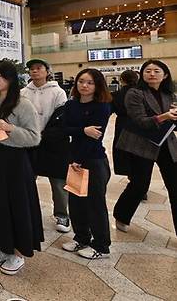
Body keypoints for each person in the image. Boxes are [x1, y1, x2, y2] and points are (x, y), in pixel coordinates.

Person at [0, 60, 42, 275]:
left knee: (15, 204)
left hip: (15, 161)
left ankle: (18, 253)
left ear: (11, 78)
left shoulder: (23, 104)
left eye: (1, 76)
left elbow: (34, 137)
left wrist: (10, 128)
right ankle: (3, 247)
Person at [113, 60, 177, 234]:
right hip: (141, 143)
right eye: (147, 71)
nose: (152, 74)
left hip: (166, 144)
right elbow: (140, 121)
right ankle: (121, 214)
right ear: (142, 74)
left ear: (165, 75)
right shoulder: (135, 93)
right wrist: (165, 116)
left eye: (157, 71)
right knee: (140, 184)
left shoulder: (169, 94)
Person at [61, 68, 113, 259]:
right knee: (76, 202)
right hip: (75, 160)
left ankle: (101, 246)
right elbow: (64, 129)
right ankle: (81, 238)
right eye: (81, 81)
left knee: (95, 204)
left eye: (90, 82)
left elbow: (95, 138)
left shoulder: (102, 106)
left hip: (93, 160)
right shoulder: (71, 104)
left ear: (97, 85)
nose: (84, 85)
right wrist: (83, 129)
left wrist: (79, 160)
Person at [21, 58, 69, 233]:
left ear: (47, 71)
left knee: (58, 181)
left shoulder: (58, 92)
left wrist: (46, 134)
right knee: (27, 179)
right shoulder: (23, 92)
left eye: (39, 68)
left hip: (53, 143)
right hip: (29, 142)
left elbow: (61, 118)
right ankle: (27, 212)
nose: (35, 71)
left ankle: (62, 215)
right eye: (31, 69)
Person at [110, 70, 139, 177]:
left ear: (121, 80)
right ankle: (137, 174)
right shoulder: (142, 93)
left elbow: (108, 111)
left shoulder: (115, 95)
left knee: (123, 150)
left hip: (122, 124)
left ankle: (127, 172)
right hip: (139, 123)